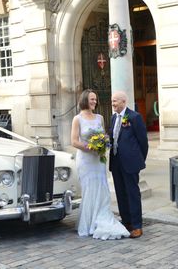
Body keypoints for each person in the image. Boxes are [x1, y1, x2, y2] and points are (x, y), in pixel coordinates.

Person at [71, 89, 130, 240]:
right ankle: (89, 222)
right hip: (85, 160)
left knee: (101, 188)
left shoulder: (100, 118)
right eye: (91, 99)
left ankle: (100, 219)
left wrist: (102, 144)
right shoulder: (77, 119)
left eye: (95, 99)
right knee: (89, 189)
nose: (94, 102)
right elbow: (74, 141)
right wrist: (89, 147)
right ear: (85, 99)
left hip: (99, 160)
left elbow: (103, 136)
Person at [109, 91, 148, 239]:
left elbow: (143, 142)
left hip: (131, 163)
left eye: (115, 101)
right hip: (116, 162)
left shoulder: (134, 117)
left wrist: (139, 159)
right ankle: (126, 223)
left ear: (123, 102)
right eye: (112, 101)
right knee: (121, 193)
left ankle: (137, 226)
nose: (113, 104)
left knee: (132, 194)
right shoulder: (113, 118)